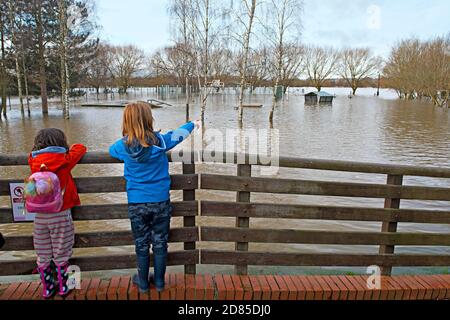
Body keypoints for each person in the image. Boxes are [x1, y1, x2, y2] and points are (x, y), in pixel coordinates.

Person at [109, 102, 199, 293]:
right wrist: (193, 123)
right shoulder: (162, 141)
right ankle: (159, 283)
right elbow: (179, 133)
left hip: (136, 203)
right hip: (160, 202)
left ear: (126, 121)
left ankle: (142, 284)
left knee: (141, 244)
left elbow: (111, 151)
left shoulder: (122, 146)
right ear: (149, 119)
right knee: (160, 243)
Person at [28, 128, 87, 299]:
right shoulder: (65, 159)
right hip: (60, 214)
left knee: (43, 252)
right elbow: (81, 147)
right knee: (62, 251)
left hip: (39, 216)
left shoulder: (33, 160)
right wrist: (67, 149)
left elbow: (30, 154)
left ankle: (47, 288)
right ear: (61, 143)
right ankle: (63, 287)